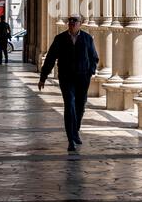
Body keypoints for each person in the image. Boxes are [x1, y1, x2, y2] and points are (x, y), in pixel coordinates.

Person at [38, 14, 99, 152]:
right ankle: (71, 139)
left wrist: (90, 71)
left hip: (83, 78)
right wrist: (43, 76)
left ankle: (75, 131)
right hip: (66, 78)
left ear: (80, 23)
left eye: (74, 21)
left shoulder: (87, 38)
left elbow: (94, 57)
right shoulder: (59, 39)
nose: (71, 23)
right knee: (69, 105)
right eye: (69, 21)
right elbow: (51, 58)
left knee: (80, 107)